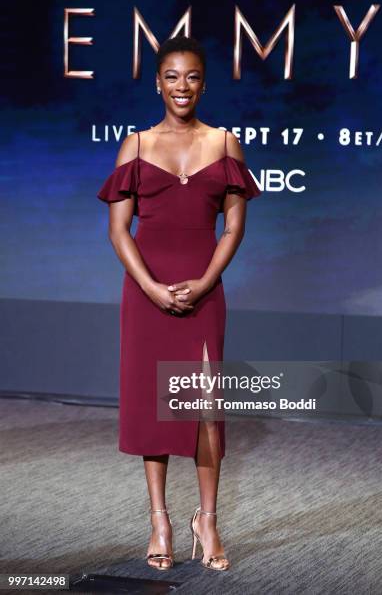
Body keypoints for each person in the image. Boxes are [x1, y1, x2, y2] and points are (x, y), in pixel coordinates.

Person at [97, 35, 261, 572]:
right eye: (172, 76)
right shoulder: (137, 147)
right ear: (158, 83)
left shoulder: (225, 144)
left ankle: (207, 521)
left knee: (206, 410)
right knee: (154, 405)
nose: (182, 86)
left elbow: (234, 226)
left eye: (191, 76)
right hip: (146, 292)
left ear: (204, 83)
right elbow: (119, 231)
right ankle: (160, 520)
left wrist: (207, 278)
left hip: (204, 290)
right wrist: (149, 285)